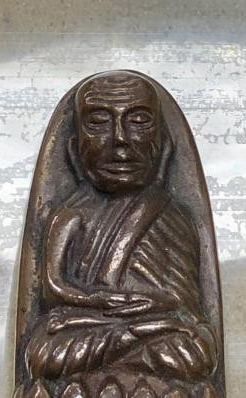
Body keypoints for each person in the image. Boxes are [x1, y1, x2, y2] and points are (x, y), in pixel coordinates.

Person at [26, 71, 217, 381]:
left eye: (138, 120)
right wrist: (101, 301)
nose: (120, 139)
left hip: (156, 331)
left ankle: (122, 367)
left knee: (194, 350)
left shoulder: (172, 215)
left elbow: (187, 308)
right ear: (75, 148)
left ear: (163, 144)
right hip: (85, 326)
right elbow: (53, 287)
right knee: (45, 352)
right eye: (99, 122)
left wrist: (155, 305)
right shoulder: (71, 214)